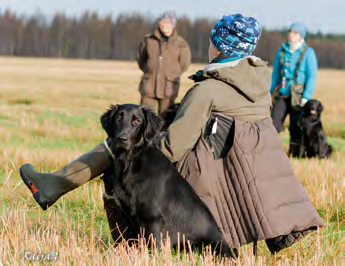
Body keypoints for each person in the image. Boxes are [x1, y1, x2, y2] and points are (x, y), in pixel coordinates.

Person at [20, 14, 323, 254]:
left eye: (212, 40)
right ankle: (53, 185)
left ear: (220, 46)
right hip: (239, 183)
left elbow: (172, 148)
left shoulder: (208, 90)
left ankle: (122, 241)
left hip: (206, 181)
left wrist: (133, 143)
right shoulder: (257, 88)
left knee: (118, 155)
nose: (209, 45)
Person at [270, 22, 318, 156]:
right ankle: (271, 152)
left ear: (301, 36)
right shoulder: (281, 51)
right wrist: (270, 92)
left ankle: (294, 154)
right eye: (290, 31)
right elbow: (275, 75)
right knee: (273, 124)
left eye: (295, 32)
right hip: (282, 94)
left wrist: (306, 97)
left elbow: (311, 76)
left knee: (296, 128)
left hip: (298, 96)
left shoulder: (308, 53)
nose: (291, 35)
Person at [137, 11, 191, 118]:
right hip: (149, 85)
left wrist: (172, 74)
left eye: (167, 22)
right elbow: (141, 60)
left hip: (169, 88)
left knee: (166, 119)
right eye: (162, 22)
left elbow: (184, 64)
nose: (163, 25)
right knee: (145, 117)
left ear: (172, 25)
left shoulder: (181, 44)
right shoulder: (148, 40)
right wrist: (150, 71)